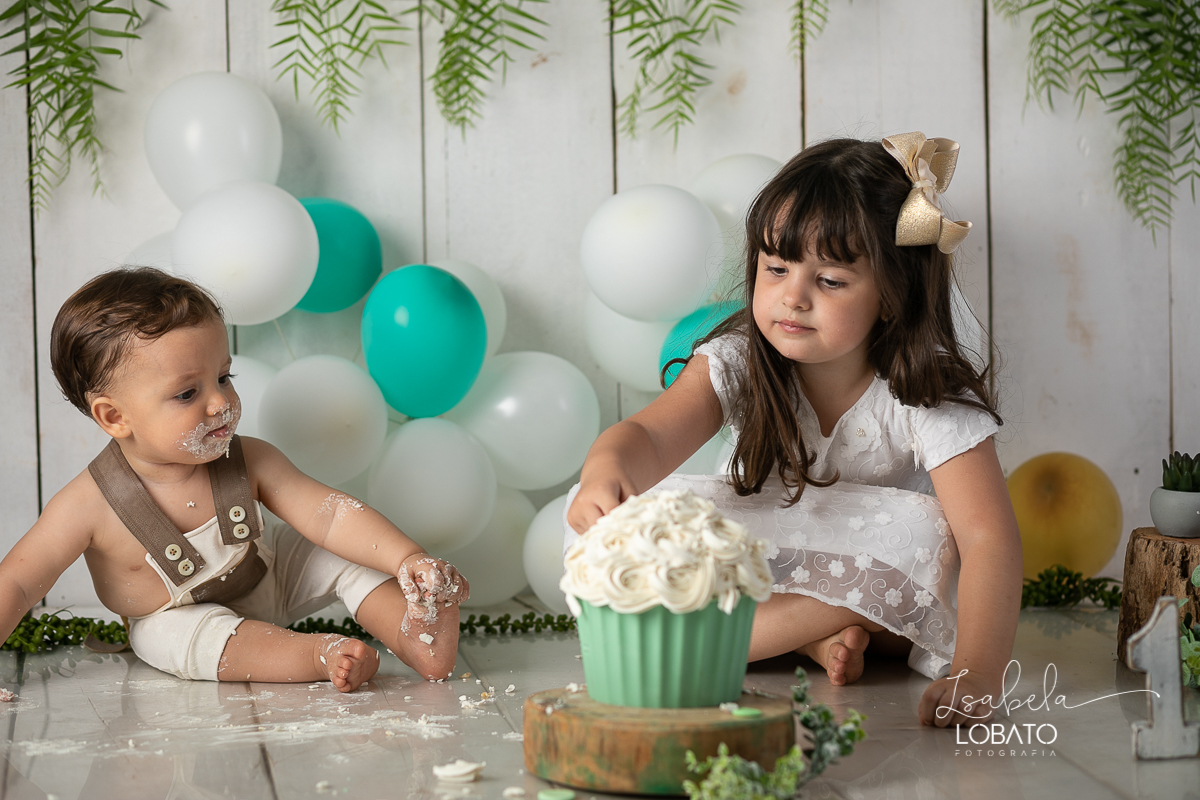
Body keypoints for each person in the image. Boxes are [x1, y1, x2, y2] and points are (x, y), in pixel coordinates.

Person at [567, 134, 1022, 726]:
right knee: (606, 521)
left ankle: (712, 640)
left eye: (830, 281)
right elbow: (650, 438)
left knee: (929, 532)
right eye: (776, 269)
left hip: (876, 565)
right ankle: (814, 630)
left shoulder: (925, 388)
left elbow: (988, 538)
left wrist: (977, 673)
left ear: (890, 295)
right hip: (762, 553)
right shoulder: (736, 358)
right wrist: (608, 473)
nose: (793, 297)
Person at [0, 267, 468, 692]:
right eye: (188, 392)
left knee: (340, 552)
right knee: (182, 638)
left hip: (269, 577)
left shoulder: (251, 459)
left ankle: (419, 631)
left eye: (224, 376)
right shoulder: (86, 506)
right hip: (178, 617)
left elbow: (329, 516)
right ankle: (315, 652)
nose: (220, 402)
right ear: (114, 416)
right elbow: (20, 581)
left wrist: (405, 556)